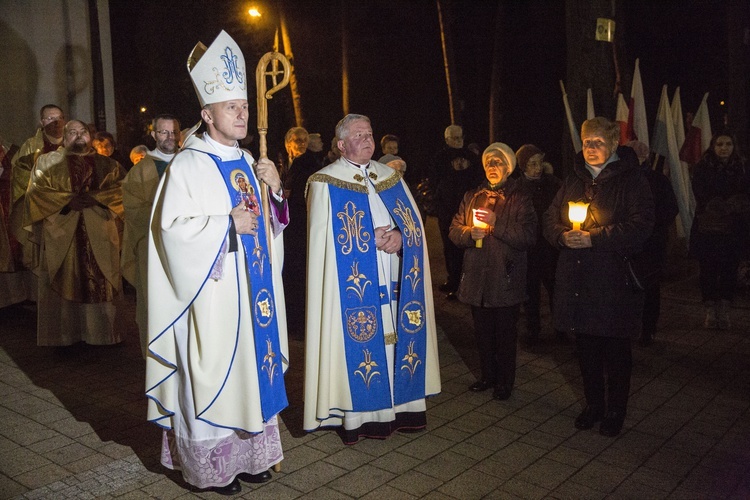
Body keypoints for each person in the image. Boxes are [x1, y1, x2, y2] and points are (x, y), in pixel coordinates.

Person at [145, 30, 289, 496]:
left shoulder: (250, 161)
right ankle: (212, 468)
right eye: (232, 107)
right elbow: (170, 232)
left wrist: (277, 192)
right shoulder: (188, 165)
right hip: (211, 298)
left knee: (251, 370)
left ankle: (248, 457)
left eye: (244, 106)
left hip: (254, 295)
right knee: (214, 375)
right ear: (207, 115)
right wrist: (225, 225)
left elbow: (268, 230)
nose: (243, 113)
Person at [304, 113, 441, 444]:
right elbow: (323, 242)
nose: (367, 139)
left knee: (398, 340)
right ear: (340, 145)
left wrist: (400, 236)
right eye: (359, 135)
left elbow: (413, 224)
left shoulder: (389, 176)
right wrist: (369, 238)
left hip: (394, 275)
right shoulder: (325, 182)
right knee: (362, 344)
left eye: (369, 133)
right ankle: (361, 417)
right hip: (352, 288)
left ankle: (403, 408)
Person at [543, 117, 654, 437]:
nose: (591, 148)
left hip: (612, 280)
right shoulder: (574, 179)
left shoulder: (632, 180)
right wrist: (564, 237)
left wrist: (596, 238)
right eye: (586, 142)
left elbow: (641, 226)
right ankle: (593, 404)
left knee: (616, 349)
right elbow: (550, 219)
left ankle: (616, 408)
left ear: (614, 144)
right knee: (586, 347)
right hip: (577, 278)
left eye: (598, 143)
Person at [24, 119, 125, 346]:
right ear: (64, 136)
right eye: (72, 132)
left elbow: (122, 191)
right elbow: (36, 193)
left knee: (101, 280)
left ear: (90, 136)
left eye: (83, 132)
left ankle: (103, 334)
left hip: (98, 230)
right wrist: (68, 202)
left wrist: (96, 198)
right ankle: (64, 337)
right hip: (62, 231)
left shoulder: (108, 165)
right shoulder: (48, 162)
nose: (78, 136)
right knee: (64, 277)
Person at [449, 143, 536, 400]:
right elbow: (454, 229)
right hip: (477, 275)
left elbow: (528, 236)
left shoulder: (520, 198)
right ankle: (487, 375)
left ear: (508, 168)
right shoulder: (472, 195)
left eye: (498, 163)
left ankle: (505, 381)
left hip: (504, 275)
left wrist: (496, 225)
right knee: (482, 332)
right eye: (488, 162)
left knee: (505, 334)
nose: (492, 167)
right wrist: (468, 233)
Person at [121, 114, 180, 357]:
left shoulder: (190, 162)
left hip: (189, 248)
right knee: (157, 302)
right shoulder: (140, 171)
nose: (170, 137)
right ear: (154, 135)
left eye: (174, 132)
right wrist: (170, 215)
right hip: (154, 246)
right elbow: (133, 210)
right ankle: (159, 357)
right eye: (164, 132)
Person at [689, 130, 750, 330]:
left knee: (729, 268)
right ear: (713, 146)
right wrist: (718, 206)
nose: (724, 148)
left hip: (734, 228)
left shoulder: (742, 167)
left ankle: (724, 309)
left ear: (734, 147)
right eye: (720, 144)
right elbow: (701, 193)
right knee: (708, 268)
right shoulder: (703, 168)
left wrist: (735, 205)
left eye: (728, 144)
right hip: (709, 227)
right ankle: (709, 309)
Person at [9, 104, 66, 300]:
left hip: (69, 212)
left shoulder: (73, 141)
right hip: (41, 211)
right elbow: (20, 174)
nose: (55, 122)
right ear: (42, 122)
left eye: (58, 117)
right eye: (50, 118)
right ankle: (43, 302)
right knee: (44, 260)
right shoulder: (30, 147)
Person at [626, 140, 679, 346]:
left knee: (648, 287)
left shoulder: (657, 180)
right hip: (629, 243)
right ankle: (637, 328)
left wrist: (649, 225)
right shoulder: (622, 179)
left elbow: (670, 209)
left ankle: (647, 329)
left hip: (650, 243)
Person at [516, 144, 564, 346]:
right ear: (523, 166)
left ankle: (561, 330)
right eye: (532, 164)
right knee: (530, 291)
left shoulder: (553, 184)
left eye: (539, 163)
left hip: (550, 246)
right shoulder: (517, 187)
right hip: (529, 248)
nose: (537, 168)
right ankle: (533, 330)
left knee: (556, 289)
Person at [428, 125, 483, 299]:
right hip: (447, 211)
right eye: (454, 138)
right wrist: (439, 203)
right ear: (446, 140)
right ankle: (453, 281)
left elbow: (478, 180)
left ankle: (466, 285)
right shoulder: (439, 158)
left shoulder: (472, 158)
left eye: (460, 137)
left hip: (467, 210)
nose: (458, 141)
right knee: (449, 248)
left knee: (467, 248)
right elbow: (434, 182)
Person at [282, 125, 320, 337]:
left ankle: (298, 323)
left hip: (300, 225)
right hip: (289, 226)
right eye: (297, 140)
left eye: (305, 140)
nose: (302, 144)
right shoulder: (285, 162)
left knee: (299, 272)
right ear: (288, 144)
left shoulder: (307, 163)